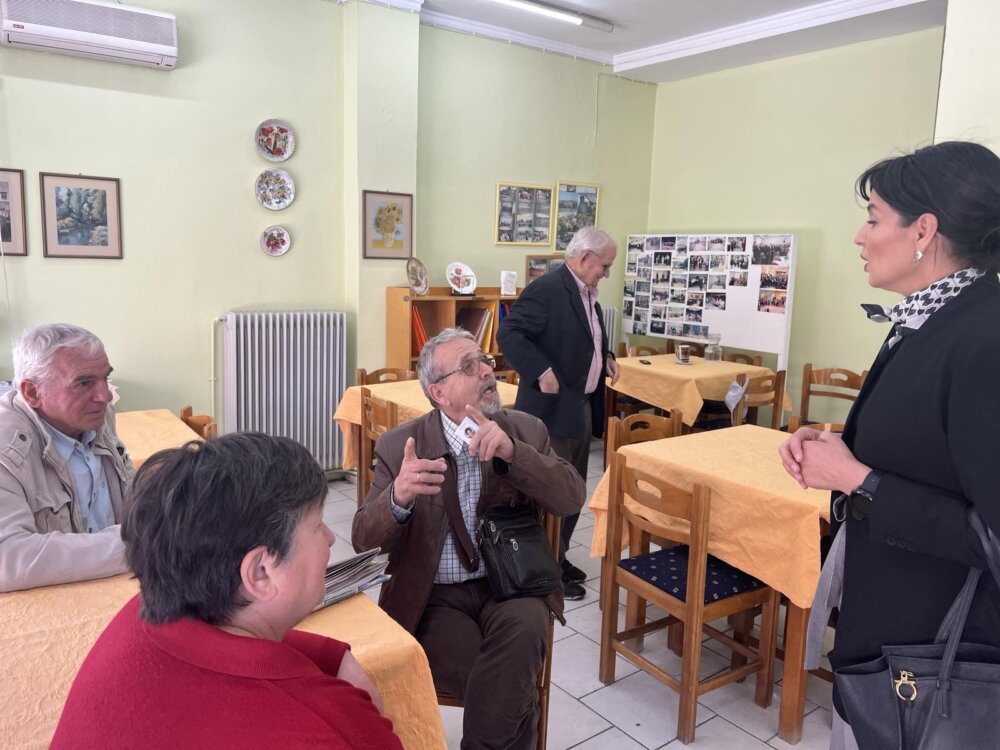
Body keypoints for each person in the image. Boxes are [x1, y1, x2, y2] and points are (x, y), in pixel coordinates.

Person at [778, 141, 1000, 749]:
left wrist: (859, 480)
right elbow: (926, 452)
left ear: (923, 230)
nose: (859, 236)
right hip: (889, 630)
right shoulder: (932, 317)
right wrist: (839, 450)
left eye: (873, 219)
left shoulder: (985, 337)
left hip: (936, 657)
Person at [51, 432, 402, 749]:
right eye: (317, 525)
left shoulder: (145, 612)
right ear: (260, 572)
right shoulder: (329, 722)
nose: (329, 538)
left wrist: (332, 655)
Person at [353, 328, 584, 750]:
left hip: (511, 586)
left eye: (485, 361)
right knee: (511, 685)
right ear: (438, 392)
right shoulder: (399, 445)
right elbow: (363, 540)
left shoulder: (525, 431)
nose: (486, 371)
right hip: (433, 597)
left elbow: (570, 497)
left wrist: (514, 454)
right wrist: (397, 497)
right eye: (469, 366)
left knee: (527, 629)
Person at [497, 225, 619, 600]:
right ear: (585, 258)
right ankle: (544, 567)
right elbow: (509, 333)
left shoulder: (587, 294)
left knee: (574, 489)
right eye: (605, 265)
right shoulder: (547, 289)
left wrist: (606, 357)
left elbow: (587, 337)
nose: (607, 273)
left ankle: (558, 555)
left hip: (578, 407)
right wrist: (540, 370)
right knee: (552, 492)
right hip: (549, 413)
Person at [0, 323, 133, 592]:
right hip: (54, 605)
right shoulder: (7, 445)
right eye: (84, 383)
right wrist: (139, 544)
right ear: (32, 393)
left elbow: (128, 483)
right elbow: (7, 558)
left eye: (105, 378)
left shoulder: (97, 416)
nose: (106, 396)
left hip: (113, 585)